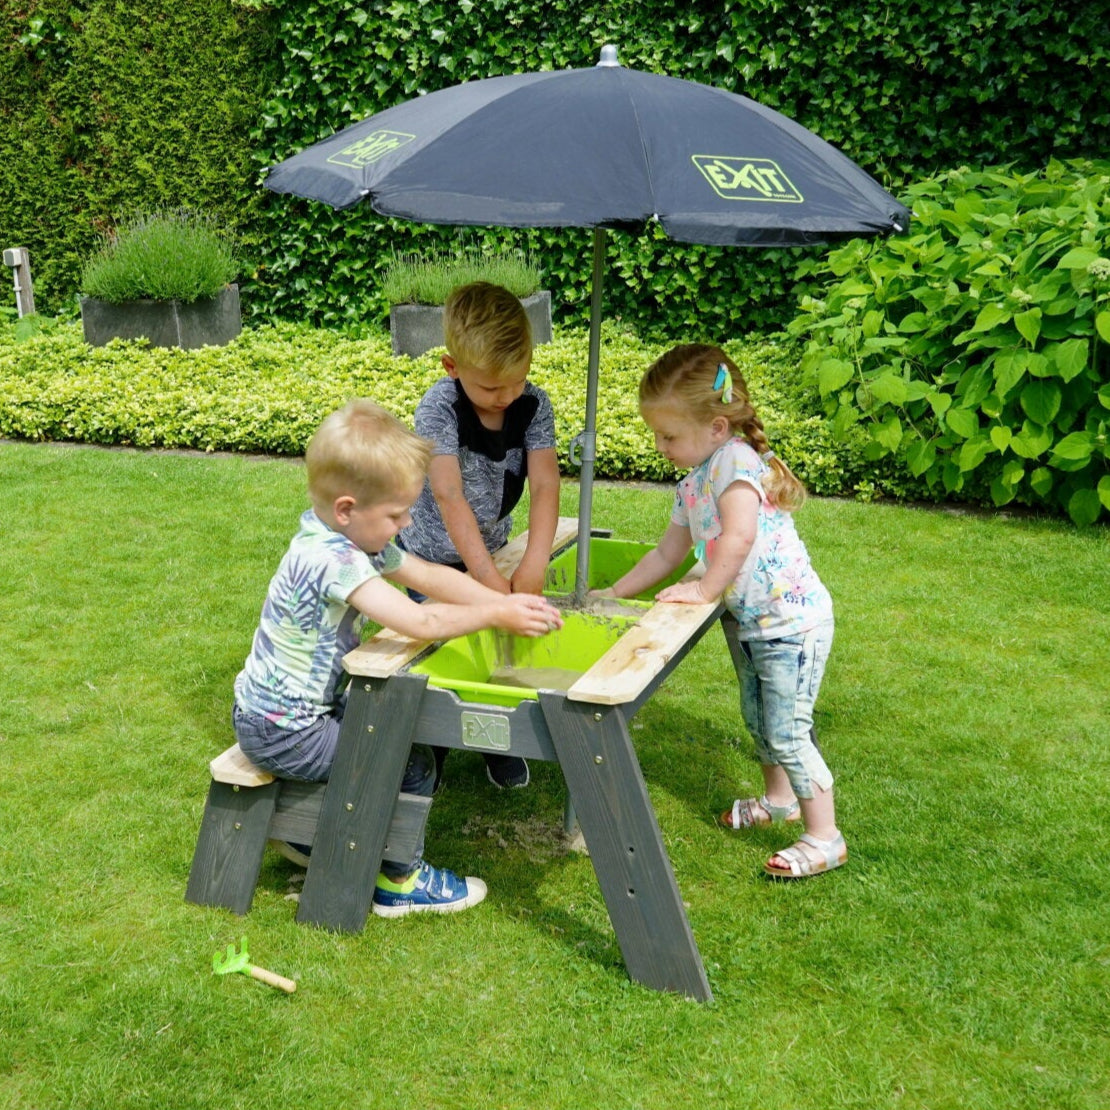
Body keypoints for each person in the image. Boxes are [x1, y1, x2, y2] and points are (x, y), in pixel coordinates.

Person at [231, 398, 563, 916]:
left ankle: (312, 834)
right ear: (347, 508)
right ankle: (399, 881)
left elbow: (428, 576)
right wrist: (497, 614)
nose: (406, 522)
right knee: (406, 759)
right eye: (395, 514)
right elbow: (419, 621)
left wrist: (500, 601)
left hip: (273, 716)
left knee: (387, 720)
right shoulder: (335, 560)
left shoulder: (338, 536)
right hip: (287, 733)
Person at [595, 344, 845, 879]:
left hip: (791, 623)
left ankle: (825, 837)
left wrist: (704, 589)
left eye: (669, 436)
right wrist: (613, 592)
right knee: (760, 721)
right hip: (754, 623)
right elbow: (666, 554)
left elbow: (739, 536)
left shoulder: (735, 463)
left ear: (715, 427)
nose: (660, 447)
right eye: (657, 435)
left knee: (789, 731)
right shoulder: (693, 481)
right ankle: (779, 801)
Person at [399, 281, 561, 790]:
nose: (506, 396)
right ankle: (432, 748)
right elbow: (449, 495)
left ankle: (496, 742)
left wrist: (534, 561)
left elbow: (546, 484)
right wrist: (489, 581)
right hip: (431, 559)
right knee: (441, 656)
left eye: (517, 380)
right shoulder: (439, 408)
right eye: (491, 388)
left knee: (493, 646)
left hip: (491, 546)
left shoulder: (533, 405)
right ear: (452, 367)